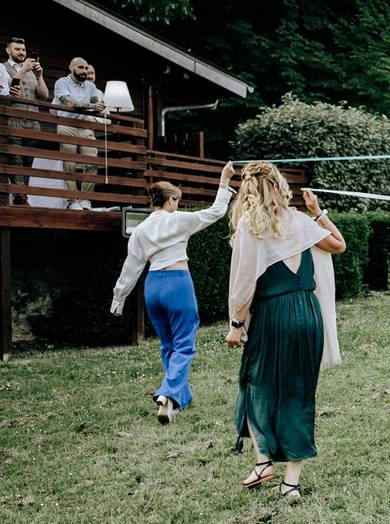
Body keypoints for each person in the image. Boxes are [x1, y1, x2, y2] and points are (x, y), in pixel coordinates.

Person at [226, 162, 346, 500]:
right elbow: (338, 245)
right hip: (309, 314)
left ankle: (264, 461)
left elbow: (244, 282)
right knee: (299, 391)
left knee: (255, 384)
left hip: (272, 315)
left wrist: (236, 325)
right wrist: (318, 212)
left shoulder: (252, 227)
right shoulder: (302, 222)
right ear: (280, 187)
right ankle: (290, 483)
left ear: (248, 193)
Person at [111, 162, 236, 423]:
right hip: (177, 283)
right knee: (185, 345)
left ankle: (178, 400)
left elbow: (131, 267)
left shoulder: (141, 230)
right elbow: (216, 212)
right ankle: (166, 392)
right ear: (170, 201)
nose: (178, 206)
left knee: (169, 345)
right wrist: (224, 181)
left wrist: (118, 299)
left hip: (153, 286)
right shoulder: (179, 220)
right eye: (177, 201)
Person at [53, 57, 105, 210]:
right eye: (80, 68)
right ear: (71, 67)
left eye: (86, 68)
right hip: (66, 124)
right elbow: (70, 103)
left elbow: (97, 106)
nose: (84, 71)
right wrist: (92, 106)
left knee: (92, 161)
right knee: (69, 164)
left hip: (85, 126)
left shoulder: (91, 86)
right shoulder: (61, 82)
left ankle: (85, 200)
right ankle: (72, 200)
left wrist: (98, 107)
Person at [4, 37, 48, 205]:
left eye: (23, 50)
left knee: (28, 161)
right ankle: (20, 197)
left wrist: (39, 76)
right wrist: (22, 70)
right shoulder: (3, 68)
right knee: (15, 159)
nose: (22, 52)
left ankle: (22, 196)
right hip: (14, 119)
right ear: (9, 50)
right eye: (17, 49)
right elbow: (8, 90)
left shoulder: (32, 71)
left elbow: (44, 96)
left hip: (33, 121)